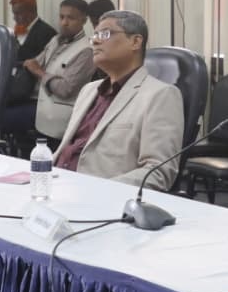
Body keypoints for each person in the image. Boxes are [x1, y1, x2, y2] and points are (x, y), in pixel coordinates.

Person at [54, 10, 184, 191]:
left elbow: (158, 172)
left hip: (98, 198)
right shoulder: (88, 91)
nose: (96, 41)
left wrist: (97, 190)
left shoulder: (160, 95)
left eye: (105, 34)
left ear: (135, 42)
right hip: (55, 185)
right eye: (95, 36)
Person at [0, 0, 95, 142]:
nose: (64, 22)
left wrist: (39, 72)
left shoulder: (86, 51)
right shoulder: (55, 40)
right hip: (37, 102)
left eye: (70, 18)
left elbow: (65, 89)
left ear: (84, 20)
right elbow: (34, 63)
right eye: (61, 17)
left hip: (55, 112)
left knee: (0, 119)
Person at [6, 0, 57, 107]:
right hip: (15, 84)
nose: (14, 18)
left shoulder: (46, 32)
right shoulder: (18, 31)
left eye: (18, 13)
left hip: (31, 93)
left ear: (31, 12)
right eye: (13, 13)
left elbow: (42, 63)